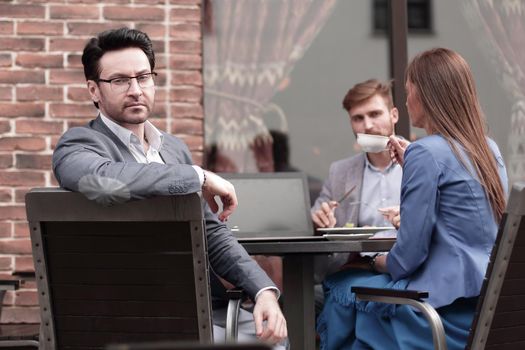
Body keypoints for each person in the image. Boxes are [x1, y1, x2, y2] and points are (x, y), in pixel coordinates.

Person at [52, 27, 287, 347]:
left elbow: (211, 233)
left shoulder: (173, 151)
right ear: (94, 90)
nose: (135, 89)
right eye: (120, 80)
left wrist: (263, 291)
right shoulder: (78, 146)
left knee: (272, 338)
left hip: (196, 308)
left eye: (143, 77)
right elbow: (105, 183)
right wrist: (198, 176)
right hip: (128, 314)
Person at [317, 47, 508, 349]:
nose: (406, 101)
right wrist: (415, 165)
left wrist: (376, 262)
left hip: (438, 311)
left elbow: (407, 258)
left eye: (408, 92)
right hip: (489, 304)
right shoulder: (488, 148)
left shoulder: (426, 152)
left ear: (427, 95)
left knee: (341, 285)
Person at [310, 79, 403, 311]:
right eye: (358, 118)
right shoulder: (340, 172)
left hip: (407, 268)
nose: (367, 125)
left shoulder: (422, 161)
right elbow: (319, 211)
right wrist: (320, 219)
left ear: (394, 115)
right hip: (357, 270)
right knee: (299, 297)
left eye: (375, 114)